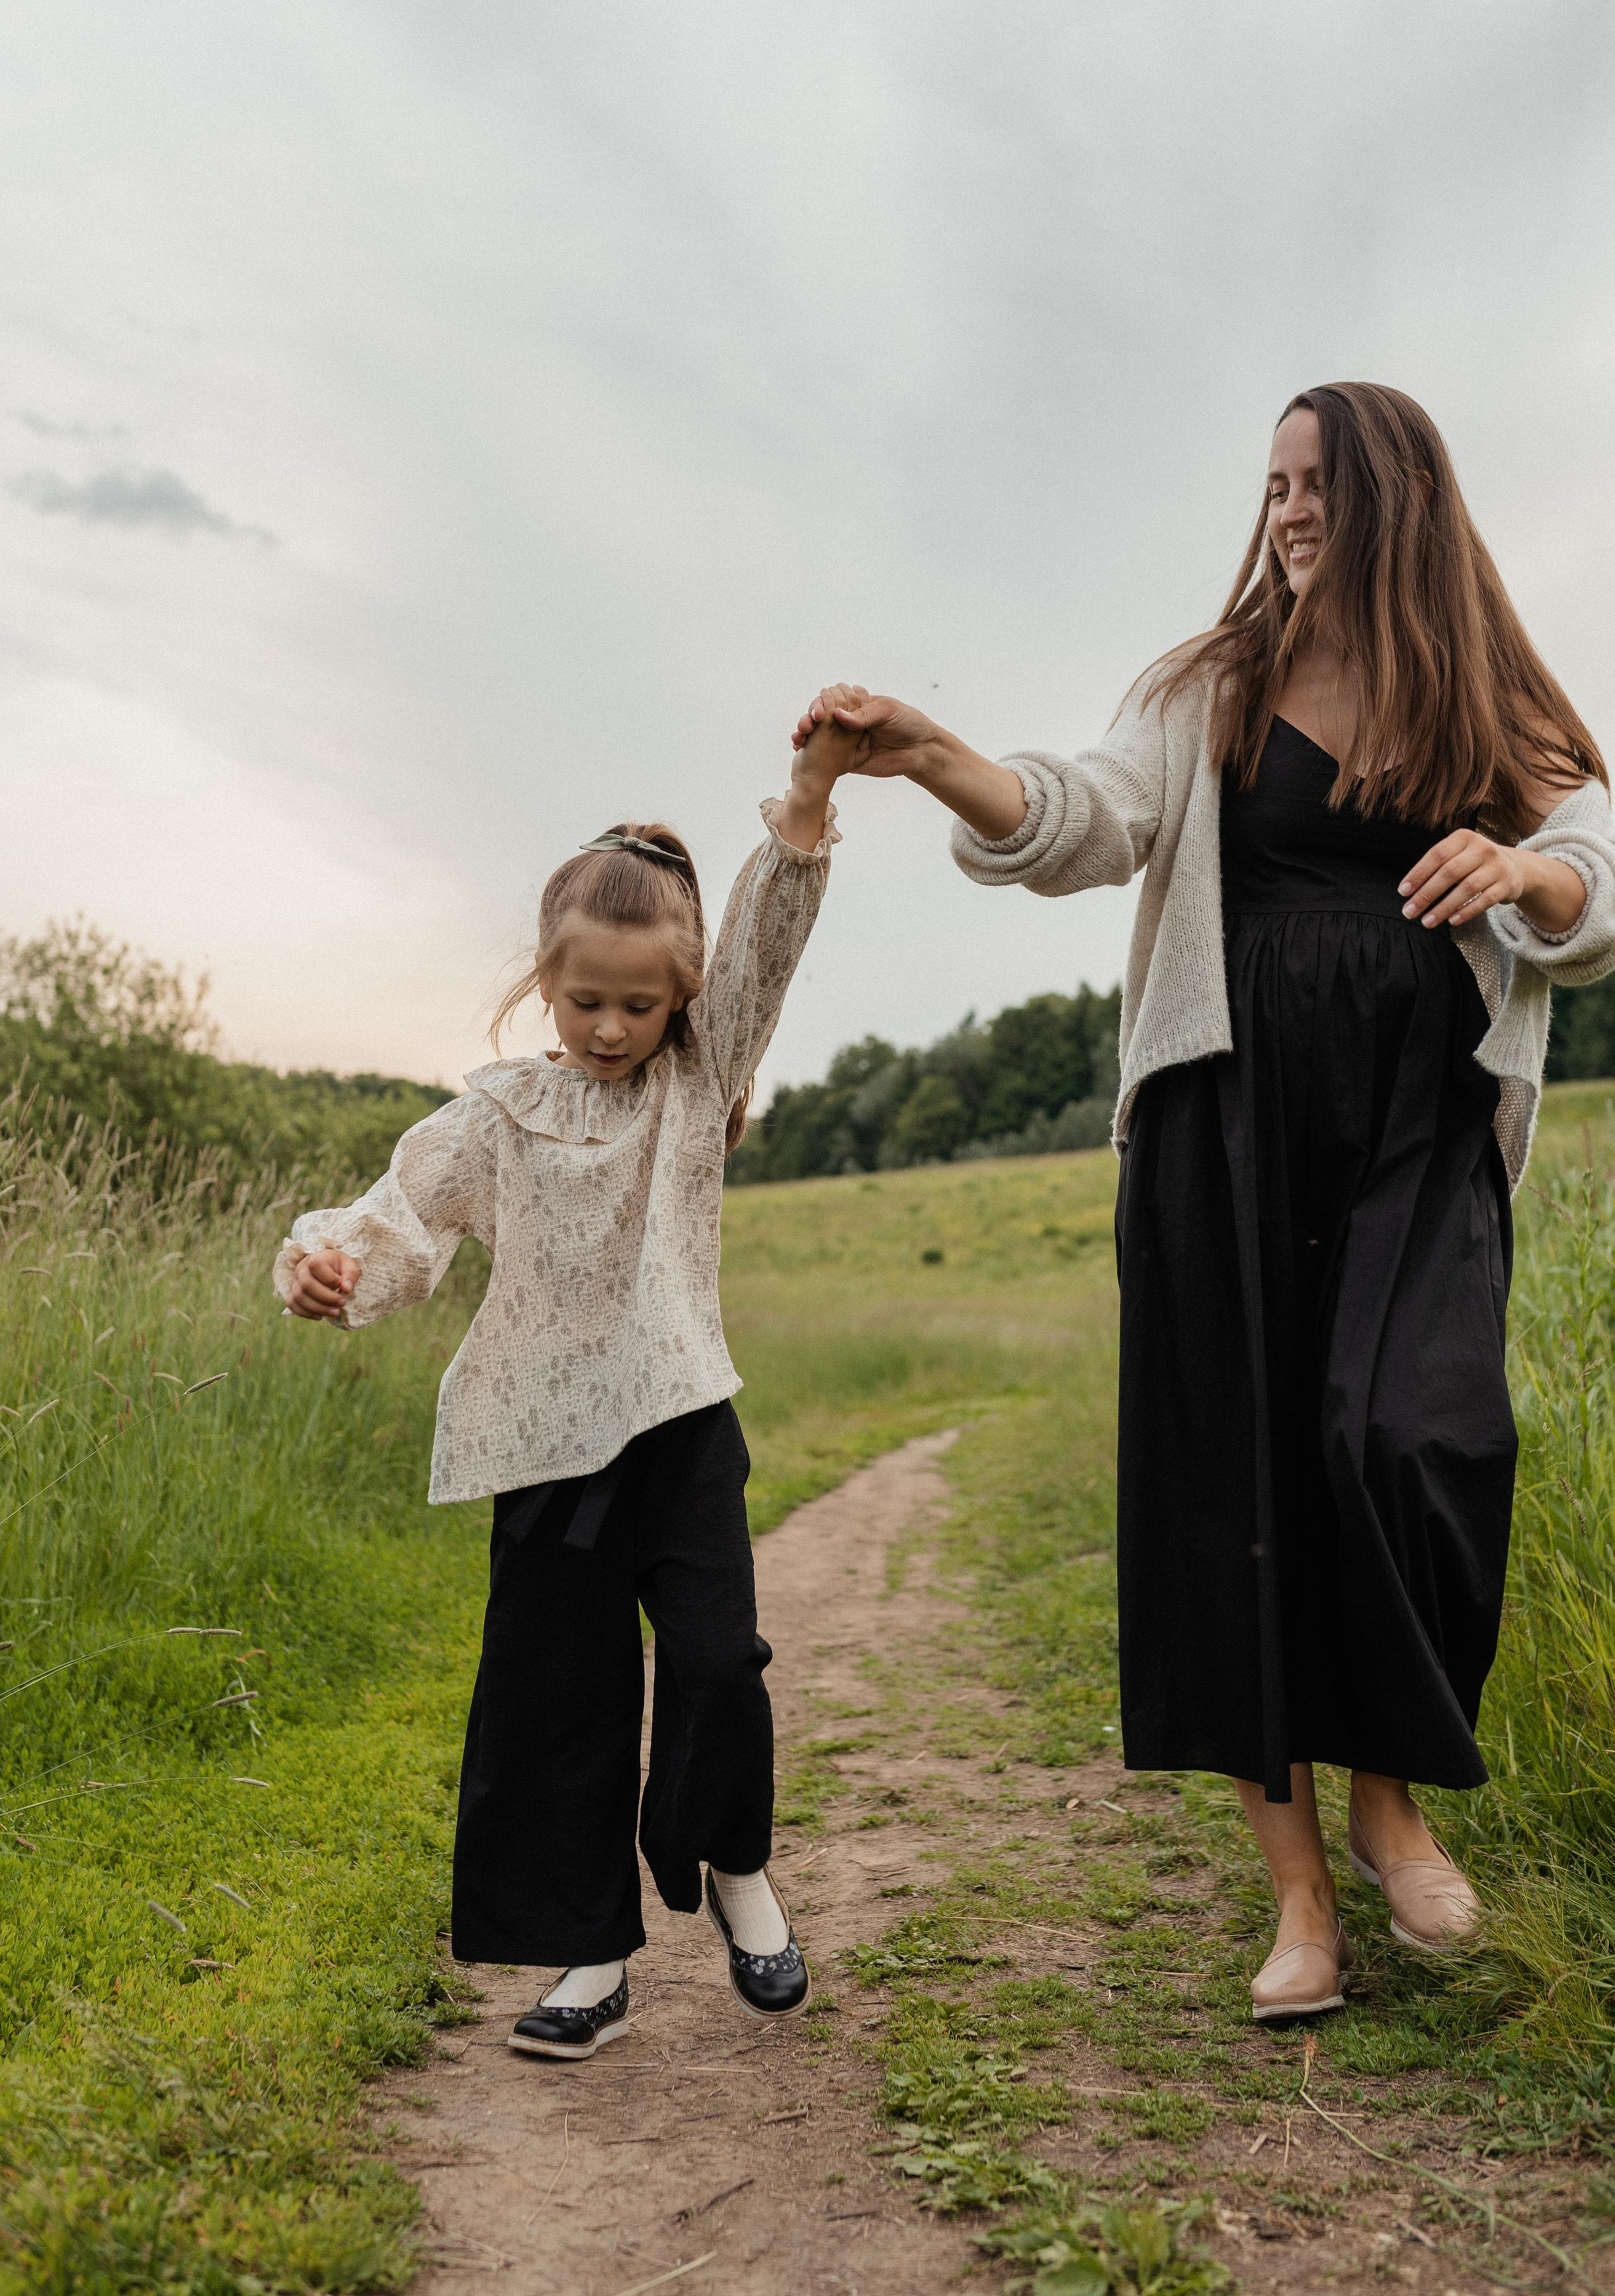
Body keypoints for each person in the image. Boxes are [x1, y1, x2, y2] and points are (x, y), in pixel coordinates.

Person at [794, 383, 1615, 2021]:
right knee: (1235, 1478)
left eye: (1315, 483)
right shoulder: (1211, 684)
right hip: (1223, 1113)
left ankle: (1389, 1808)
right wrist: (936, 759)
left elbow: (1590, 848)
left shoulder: (1482, 690)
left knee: (1412, 1435)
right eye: (1271, 484)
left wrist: (1523, 872)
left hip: (1415, 1120)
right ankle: (1299, 1899)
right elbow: (1085, 820)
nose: (1286, 510)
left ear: (1395, 498)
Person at [275, 697, 864, 2059]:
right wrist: (328, 1268)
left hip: (678, 1423)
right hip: (538, 1441)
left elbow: (769, 939)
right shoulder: (493, 1112)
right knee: (560, 1703)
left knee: (717, 1663)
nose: (611, 1028)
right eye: (587, 1000)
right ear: (545, 986)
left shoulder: (697, 1074)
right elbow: (394, 1223)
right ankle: (590, 1959)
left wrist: (806, 800)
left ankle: (733, 1869)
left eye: (641, 1004)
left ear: (684, 998)